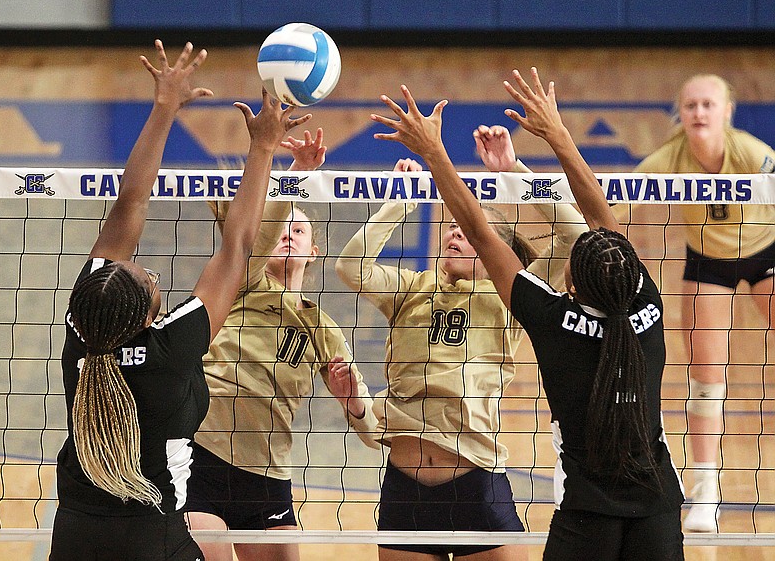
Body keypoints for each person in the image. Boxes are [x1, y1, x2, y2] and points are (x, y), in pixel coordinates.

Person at [370, 69, 684, 560]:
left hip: (588, 516)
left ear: (570, 285)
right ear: (629, 269)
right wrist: (554, 137)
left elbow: (477, 227)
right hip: (659, 510)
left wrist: (435, 153)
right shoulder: (646, 303)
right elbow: (595, 217)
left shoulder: (554, 322)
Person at [49, 40, 309, 561]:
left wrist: (164, 108)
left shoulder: (88, 334)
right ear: (147, 313)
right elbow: (236, 245)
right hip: (153, 540)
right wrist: (262, 149)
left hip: (75, 534)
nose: (142, 267)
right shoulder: (166, 346)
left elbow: (130, 204)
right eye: (142, 276)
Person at [334, 128, 587, 560]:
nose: (455, 234)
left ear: (495, 250)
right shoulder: (412, 289)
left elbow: (575, 237)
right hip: (404, 491)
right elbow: (350, 267)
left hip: (477, 486)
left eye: (470, 232)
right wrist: (401, 202)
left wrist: (514, 173)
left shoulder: (514, 296)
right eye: (452, 227)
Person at [184, 127, 381, 561]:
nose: (290, 233)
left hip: (268, 476)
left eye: (301, 230)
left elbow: (373, 432)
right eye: (284, 226)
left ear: (315, 252)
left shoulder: (320, 326)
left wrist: (354, 403)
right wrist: (297, 175)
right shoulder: (239, 283)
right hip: (203, 460)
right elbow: (256, 233)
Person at [635, 74, 775, 532]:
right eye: (691, 105)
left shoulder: (752, 154)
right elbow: (615, 198)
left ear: (727, 111)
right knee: (706, 382)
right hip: (707, 262)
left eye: (708, 105)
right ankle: (705, 491)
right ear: (681, 113)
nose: (699, 113)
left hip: (764, 253)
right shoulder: (670, 157)